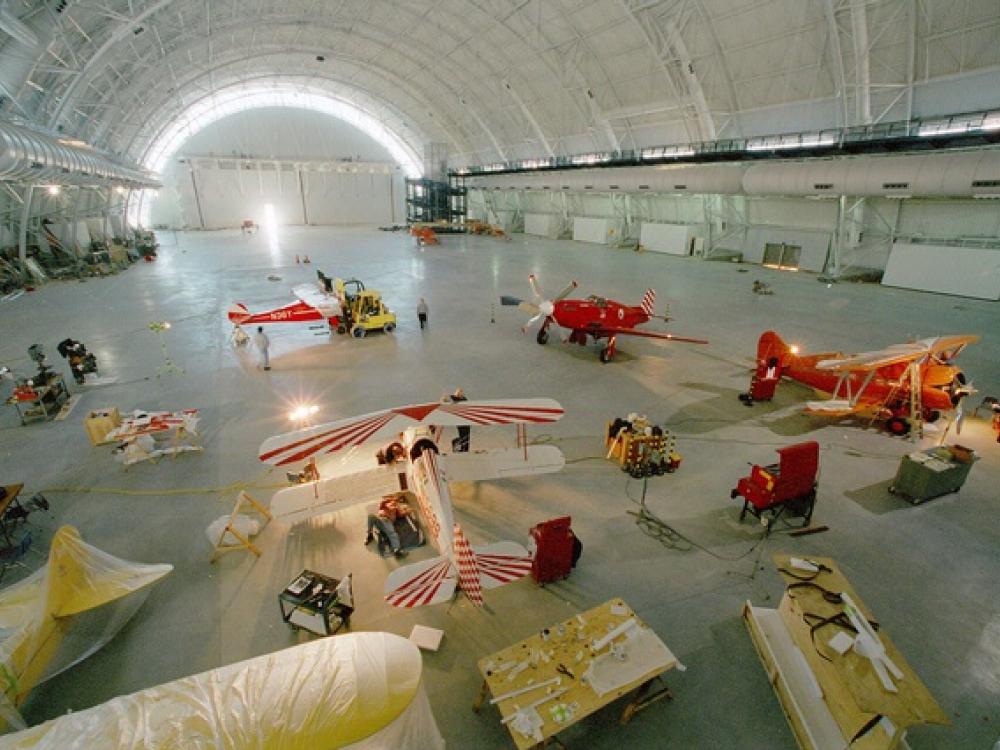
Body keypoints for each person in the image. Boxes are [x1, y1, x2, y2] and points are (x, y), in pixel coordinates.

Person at [449, 387, 470, 452]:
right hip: (460, 422)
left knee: (465, 437)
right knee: (463, 436)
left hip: (465, 422)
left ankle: (464, 449)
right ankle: (460, 448)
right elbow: (453, 398)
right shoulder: (456, 400)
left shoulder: (463, 400)